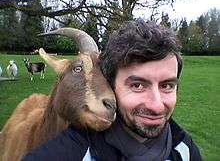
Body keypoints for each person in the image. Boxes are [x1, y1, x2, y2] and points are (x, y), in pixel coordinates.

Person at [23, 19, 202, 161]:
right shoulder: (73, 151)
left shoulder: (185, 150)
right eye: (137, 85)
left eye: (167, 85)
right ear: (110, 84)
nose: (157, 106)